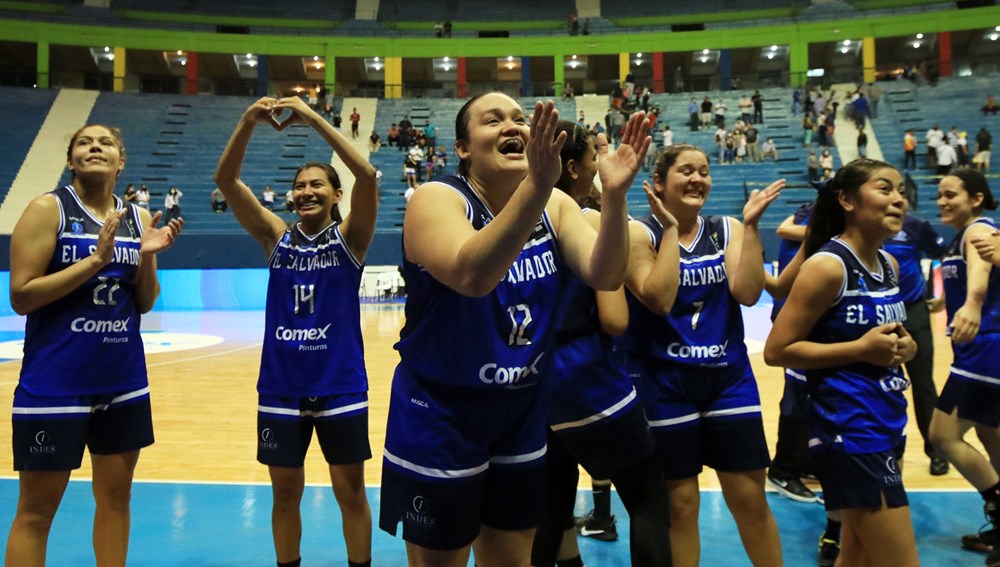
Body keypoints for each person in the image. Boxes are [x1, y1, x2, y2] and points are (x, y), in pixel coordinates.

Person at [377, 94, 650, 567]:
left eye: (519, 119)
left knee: (512, 558)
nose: (512, 126)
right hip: (443, 411)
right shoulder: (435, 198)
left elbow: (606, 275)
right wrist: (538, 186)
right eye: (493, 120)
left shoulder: (556, 204)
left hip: (522, 409)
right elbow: (473, 276)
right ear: (463, 147)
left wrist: (615, 197)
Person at [5, 124, 183, 566]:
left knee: (116, 500)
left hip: (122, 383)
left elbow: (144, 301)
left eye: (106, 143)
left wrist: (145, 257)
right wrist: (97, 260)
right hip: (55, 384)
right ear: (71, 160)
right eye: (84, 142)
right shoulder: (47, 209)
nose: (95, 147)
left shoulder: (138, 218)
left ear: (121, 162)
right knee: (36, 512)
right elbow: (22, 296)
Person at [214, 95, 378, 567]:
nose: (306, 192)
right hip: (281, 388)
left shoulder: (351, 239)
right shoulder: (276, 237)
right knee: (284, 495)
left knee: (350, 493)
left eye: (316, 185)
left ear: (336, 195)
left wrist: (310, 117)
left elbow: (367, 176)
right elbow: (226, 181)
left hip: (339, 385)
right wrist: (247, 121)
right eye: (299, 187)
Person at [625, 143, 784, 567]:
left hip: (728, 380)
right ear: (659, 183)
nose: (698, 178)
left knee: (750, 498)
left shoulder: (727, 228)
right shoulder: (640, 233)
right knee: (680, 505)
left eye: (704, 171)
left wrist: (752, 227)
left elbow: (747, 293)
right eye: (686, 171)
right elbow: (659, 299)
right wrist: (671, 230)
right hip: (663, 383)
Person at [764, 158, 920, 567]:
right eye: (885, 189)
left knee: (858, 556)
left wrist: (907, 348)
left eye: (901, 191)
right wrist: (858, 350)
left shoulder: (889, 265)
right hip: (850, 428)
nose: (899, 199)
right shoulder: (827, 266)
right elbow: (777, 351)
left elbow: (891, 337)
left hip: (888, 418)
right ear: (847, 200)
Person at [530, 122, 672, 567]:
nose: (598, 165)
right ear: (573, 168)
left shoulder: (520, 220)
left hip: (533, 384)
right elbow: (615, 320)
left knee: (550, 512)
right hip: (587, 379)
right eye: (594, 158)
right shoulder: (588, 221)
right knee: (648, 502)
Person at [926, 169, 1000, 564]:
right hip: (981, 348)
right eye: (939, 194)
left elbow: (982, 274)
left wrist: (972, 303)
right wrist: (945, 303)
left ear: (976, 198)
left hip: (985, 348)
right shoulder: (962, 235)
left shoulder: (978, 230)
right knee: (990, 434)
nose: (942, 201)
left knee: (943, 435)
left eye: (951, 194)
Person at [882, 212, 950, 476]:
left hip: (914, 311)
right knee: (879, 385)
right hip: (879, 311)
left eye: (900, 193)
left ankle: (937, 452)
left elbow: (944, 254)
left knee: (923, 385)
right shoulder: (861, 224)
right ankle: (882, 454)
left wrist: (945, 295)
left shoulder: (915, 225)